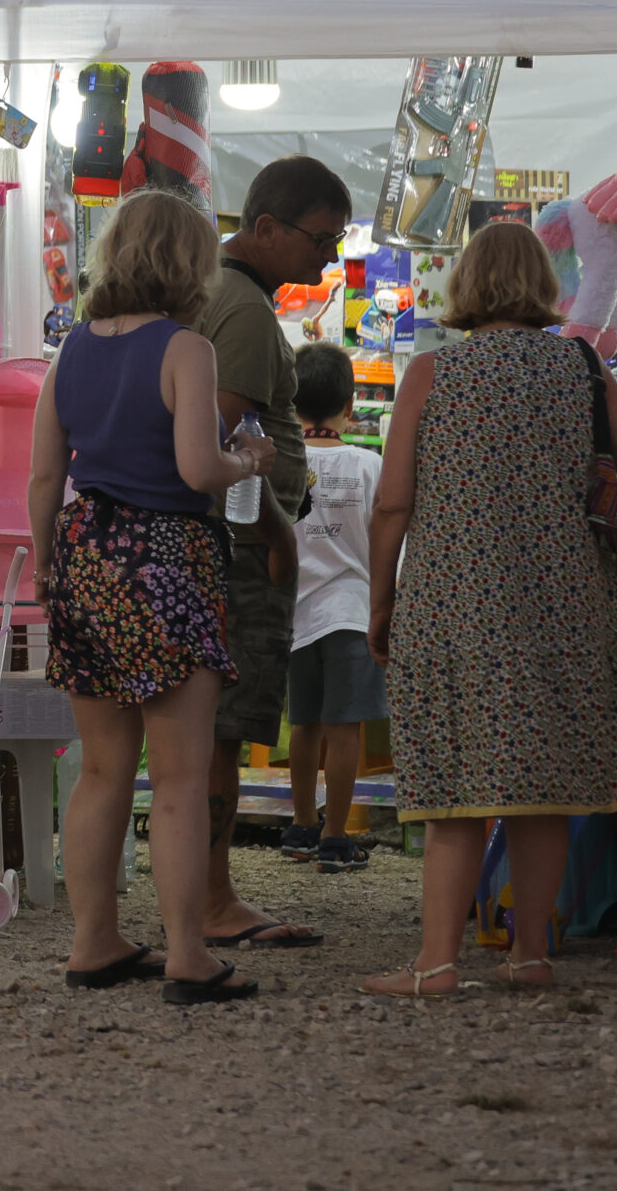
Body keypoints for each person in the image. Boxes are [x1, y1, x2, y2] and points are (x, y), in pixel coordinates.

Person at [363, 220, 617, 996]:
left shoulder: (431, 374)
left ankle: (437, 963)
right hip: (568, 608)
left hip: (454, 606)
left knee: (456, 786)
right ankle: (530, 954)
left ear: (464, 284)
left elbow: (392, 503)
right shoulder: (584, 367)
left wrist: (381, 600)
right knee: (545, 784)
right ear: (542, 284)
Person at [28, 189, 277, 1005]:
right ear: (188, 261)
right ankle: (186, 955)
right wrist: (251, 461)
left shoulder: (68, 353)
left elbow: (43, 474)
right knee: (178, 776)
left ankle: (93, 939)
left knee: (101, 768)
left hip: (85, 553)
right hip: (166, 556)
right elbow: (200, 469)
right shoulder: (186, 348)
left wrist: (46, 563)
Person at [192, 154, 350, 950]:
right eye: (321, 239)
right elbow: (229, 440)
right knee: (221, 729)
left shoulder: (224, 296)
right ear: (264, 228)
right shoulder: (247, 311)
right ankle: (213, 900)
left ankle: (207, 896)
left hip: (231, 543)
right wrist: (273, 531)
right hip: (242, 549)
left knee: (211, 729)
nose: (328, 257)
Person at [281, 342, 386, 874]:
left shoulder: (280, 462)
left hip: (293, 615)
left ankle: (301, 826)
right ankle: (337, 836)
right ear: (350, 405)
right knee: (345, 727)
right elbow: (388, 541)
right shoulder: (369, 465)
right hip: (350, 612)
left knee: (304, 724)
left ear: (291, 400)